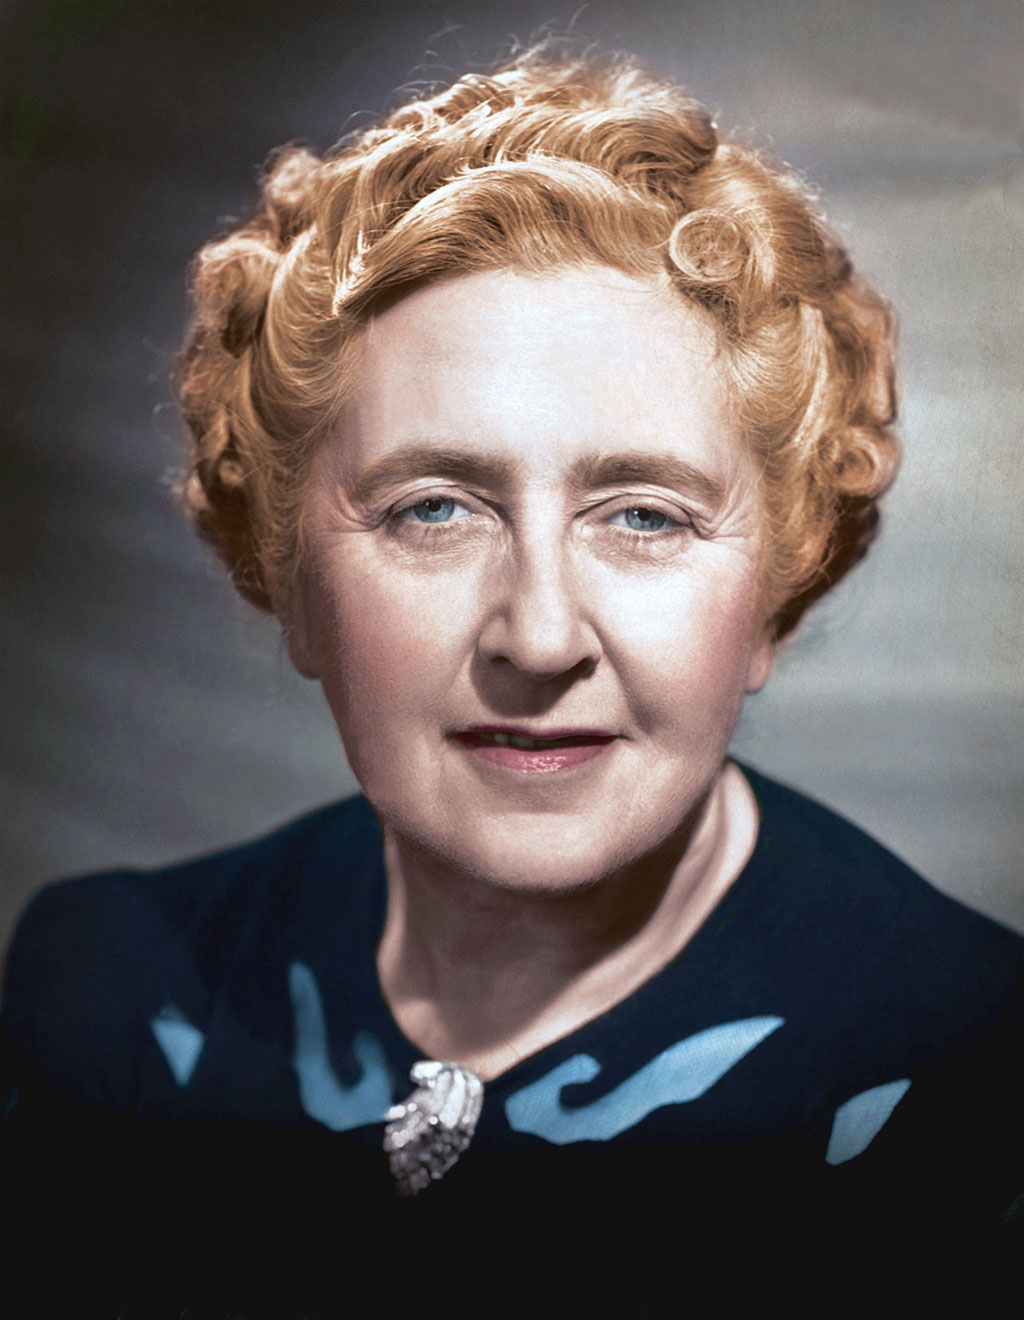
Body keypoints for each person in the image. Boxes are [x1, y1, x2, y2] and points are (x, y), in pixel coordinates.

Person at [2, 45, 1020, 1318]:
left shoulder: (971, 1086)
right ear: (292, 582)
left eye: (643, 515)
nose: (538, 637)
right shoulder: (111, 996)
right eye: (433, 508)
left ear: (773, 595)